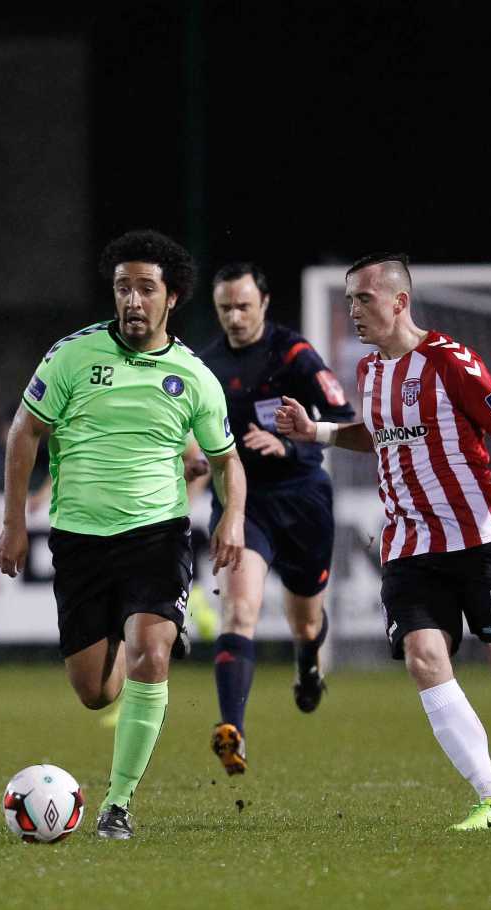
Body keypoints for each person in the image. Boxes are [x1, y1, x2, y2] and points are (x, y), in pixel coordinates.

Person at [276, 252, 491, 831]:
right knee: (423, 658)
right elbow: (378, 434)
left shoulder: (450, 362)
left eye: (364, 299)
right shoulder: (369, 372)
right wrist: (316, 432)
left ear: (399, 301)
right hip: (408, 546)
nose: (354, 311)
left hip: (477, 540)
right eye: (348, 301)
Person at [0, 229, 246, 840]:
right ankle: (143, 650)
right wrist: (13, 524)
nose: (132, 300)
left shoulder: (194, 377)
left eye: (146, 289)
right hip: (78, 541)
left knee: (149, 655)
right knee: (93, 692)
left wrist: (232, 516)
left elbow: (226, 459)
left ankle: (119, 805)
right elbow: (24, 433)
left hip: (156, 536)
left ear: (172, 297)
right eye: (122, 288)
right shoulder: (71, 357)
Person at [198, 262, 354, 776]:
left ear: (264, 303)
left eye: (244, 306)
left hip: (304, 499)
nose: (235, 317)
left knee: (305, 621)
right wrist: (194, 460)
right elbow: (190, 432)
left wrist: (289, 441)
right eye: (225, 308)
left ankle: (307, 665)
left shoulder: (294, 355)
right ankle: (232, 730)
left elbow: (345, 416)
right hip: (244, 505)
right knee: (238, 611)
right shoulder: (207, 364)